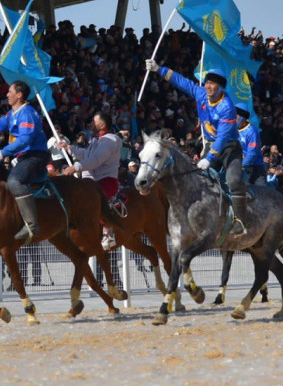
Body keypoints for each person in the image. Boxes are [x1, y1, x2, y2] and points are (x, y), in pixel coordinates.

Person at [145, 60, 247, 235]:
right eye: (207, 82)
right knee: (197, 180)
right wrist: (158, 69)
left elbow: (222, 137)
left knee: (234, 180)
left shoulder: (227, 107)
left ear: (221, 87)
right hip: (210, 146)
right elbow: (182, 82)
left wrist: (209, 158)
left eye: (212, 83)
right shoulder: (201, 94)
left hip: (229, 148)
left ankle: (239, 220)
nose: (208, 86)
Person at [0, 80, 49, 244]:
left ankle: (32, 224)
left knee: (14, 181)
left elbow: (25, 139)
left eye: (10, 92)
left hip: (35, 156)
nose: (7, 94)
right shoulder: (12, 113)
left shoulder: (27, 113)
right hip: (22, 157)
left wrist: (3, 152)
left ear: (19, 95)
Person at [60, 112, 122, 250]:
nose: (91, 124)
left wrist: (75, 167)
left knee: (92, 201)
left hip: (105, 180)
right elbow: (86, 155)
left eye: (94, 121)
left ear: (103, 124)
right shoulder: (97, 141)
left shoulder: (110, 140)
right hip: (91, 181)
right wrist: (69, 148)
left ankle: (108, 232)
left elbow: (95, 160)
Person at [236, 103, 266, 186]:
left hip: (255, 168)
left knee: (262, 193)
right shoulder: (232, 129)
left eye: (236, 116)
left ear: (243, 118)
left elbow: (252, 154)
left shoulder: (252, 131)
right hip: (238, 166)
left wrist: (241, 166)